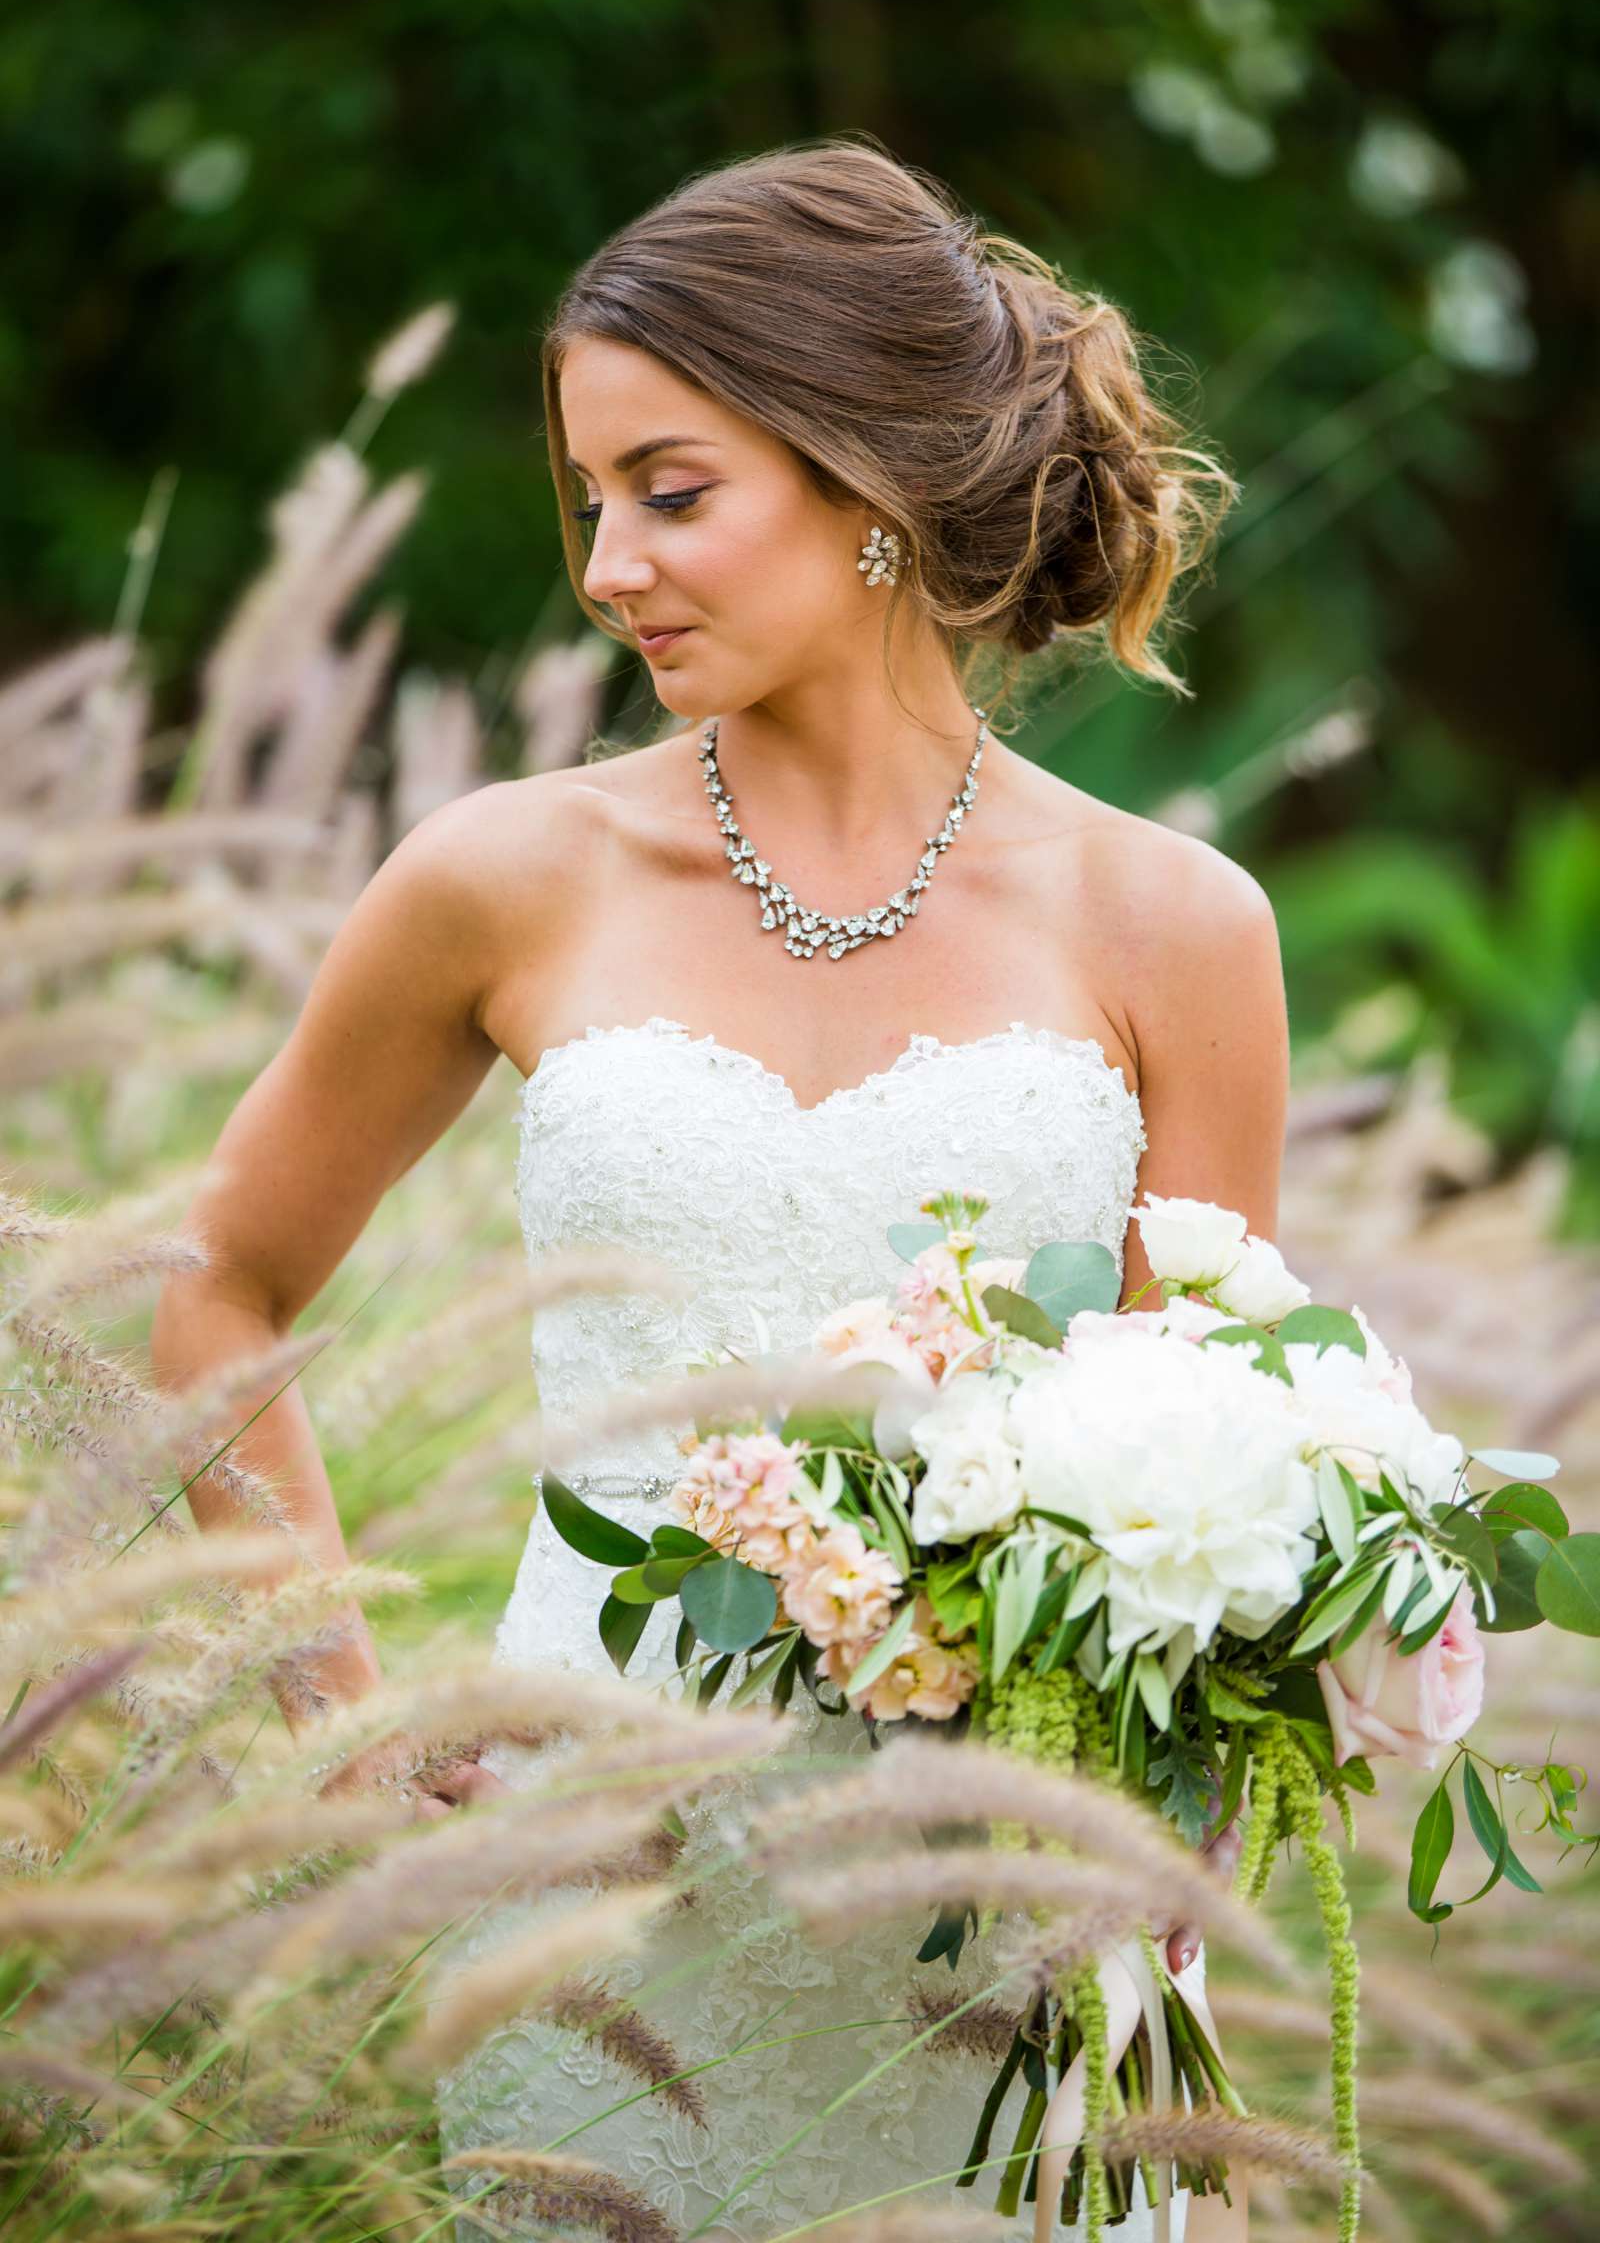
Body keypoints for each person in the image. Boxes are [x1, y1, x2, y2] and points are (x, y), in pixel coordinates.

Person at [152, 139, 1286, 2240]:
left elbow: (1211, 1466)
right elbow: (210, 1285)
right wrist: (355, 1725)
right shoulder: (500, 878)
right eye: (590, 501)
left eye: (669, 492)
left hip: (1014, 1952)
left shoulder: (1175, 928)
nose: (603, 565)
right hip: (600, 1919)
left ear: (869, 487)